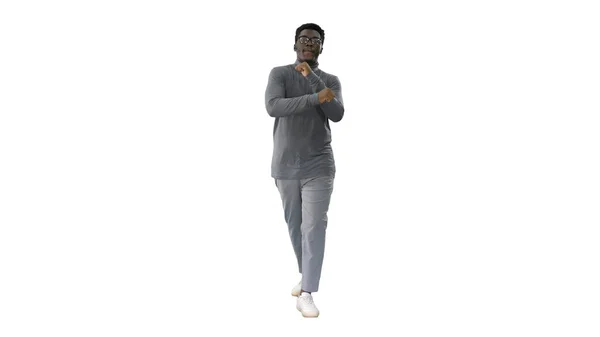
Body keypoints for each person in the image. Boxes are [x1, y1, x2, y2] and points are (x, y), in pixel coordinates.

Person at [264, 23, 344, 318]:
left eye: (315, 40)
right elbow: (274, 107)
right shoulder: (280, 74)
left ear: (321, 47)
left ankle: (308, 292)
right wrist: (314, 98)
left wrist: (312, 78)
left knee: (314, 227)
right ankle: (305, 274)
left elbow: (336, 113)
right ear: (295, 44)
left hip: (319, 165)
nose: (309, 42)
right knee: (295, 226)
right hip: (285, 165)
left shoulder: (330, 81)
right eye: (303, 39)